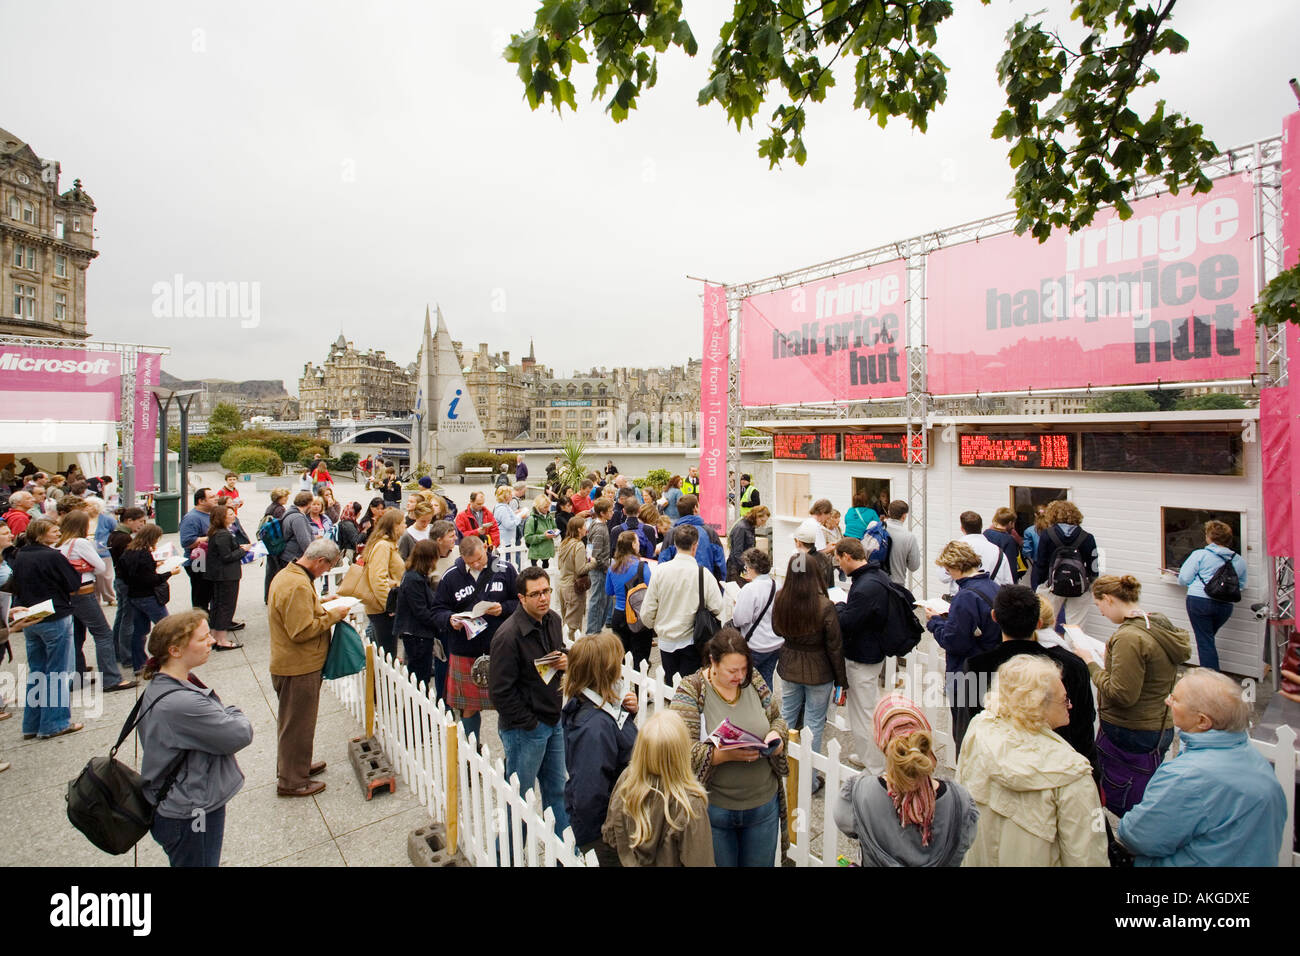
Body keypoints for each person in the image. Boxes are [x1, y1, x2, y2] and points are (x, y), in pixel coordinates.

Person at [1116, 669, 1287, 866]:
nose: (1167, 701)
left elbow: (1137, 837)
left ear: (1202, 721)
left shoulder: (1186, 776)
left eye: (1176, 699)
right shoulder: (1253, 757)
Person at [956, 655, 1107, 866]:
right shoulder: (1072, 773)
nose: (1070, 705)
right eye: (1064, 699)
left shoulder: (979, 730)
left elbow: (962, 808)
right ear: (1038, 705)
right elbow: (1089, 856)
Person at [137, 610, 254, 867]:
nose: (211, 641)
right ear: (175, 651)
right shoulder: (181, 703)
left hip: (178, 802)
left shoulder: (163, 685)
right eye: (202, 639)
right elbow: (239, 733)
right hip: (191, 811)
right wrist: (233, 711)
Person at [1069, 574, 1191, 816]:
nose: (1101, 613)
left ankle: (1131, 840)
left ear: (1110, 599)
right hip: (1157, 724)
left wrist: (1091, 663)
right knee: (1147, 789)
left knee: (1123, 794)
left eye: (1099, 605)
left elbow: (1122, 694)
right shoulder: (1155, 623)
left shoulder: (1128, 637)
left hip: (1131, 729)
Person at [670, 628, 789, 867]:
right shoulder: (691, 690)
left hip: (762, 804)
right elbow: (681, 750)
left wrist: (777, 736)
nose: (739, 676)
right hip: (715, 809)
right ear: (713, 662)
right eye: (732, 670)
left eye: (743, 669)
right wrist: (720, 755)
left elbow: (777, 718)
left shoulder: (752, 680)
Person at [958, 584, 1097, 767]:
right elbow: (1084, 727)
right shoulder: (1072, 666)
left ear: (994, 617)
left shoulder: (976, 666)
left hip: (999, 766)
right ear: (1039, 623)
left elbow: (967, 728)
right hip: (1058, 767)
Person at [833, 694, 979, 867]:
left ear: (881, 741)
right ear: (924, 739)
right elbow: (965, 840)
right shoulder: (960, 803)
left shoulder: (859, 793)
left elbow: (845, 822)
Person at [267, 539, 349, 797]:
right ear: (319, 561)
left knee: (296, 722)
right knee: (297, 724)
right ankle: (291, 780)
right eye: (328, 567)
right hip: (298, 667)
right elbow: (301, 630)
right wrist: (335, 614)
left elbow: (299, 613)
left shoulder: (290, 575)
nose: (326, 572)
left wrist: (322, 602)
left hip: (294, 664)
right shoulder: (297, 585)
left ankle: (296, 766)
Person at [558, 631, 640, 865]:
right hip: (606, 836)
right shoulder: (593, 727)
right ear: (604, 672)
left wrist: (626, 714)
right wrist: (610, 834)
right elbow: (589, 793)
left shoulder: (596, 707)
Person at [602, 710, 714, 866]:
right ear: (681, 752)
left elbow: (611, 835)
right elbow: (700, 860)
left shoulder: (627, 781)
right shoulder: (689, 804)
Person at [773, 553, 845, 792]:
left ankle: (777, 769)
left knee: (786, 718)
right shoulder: (824, 605)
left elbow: (776, 628)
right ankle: (809, 779)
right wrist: (841, 679)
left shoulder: (781, 598)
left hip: (790, 664)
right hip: (819, 670)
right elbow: (834, 645)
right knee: (814, 725)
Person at [433, 535, 518, 739]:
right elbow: (437, 610)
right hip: (466, 649)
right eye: (471, 562)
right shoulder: (452, 576)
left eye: (480, 559)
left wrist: (504, 608)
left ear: (486, 548)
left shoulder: (504, 569)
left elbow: (520, 601)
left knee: (507, 704)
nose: (477, 564)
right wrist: (450, 619)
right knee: (468, 707)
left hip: (500, 649)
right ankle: (472, 750)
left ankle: (510, 749)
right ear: (462, 557)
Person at [923, 541, 1002, 749]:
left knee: (966, 734)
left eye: (948, 570)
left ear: (957, 567)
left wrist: (935, 622)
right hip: (991, 666)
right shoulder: (994, 587)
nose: (948, 574)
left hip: (967, 672)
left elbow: (954, 641)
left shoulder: (966, 596)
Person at [14, 519, 84, 738]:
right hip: (55, 615)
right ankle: (55, 723)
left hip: (31, 618)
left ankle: (31, 724)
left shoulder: (21, 555)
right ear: (42, 534)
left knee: (37, 671)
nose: (58, 533)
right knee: (58, 672)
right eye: (54, 531)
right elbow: (73, 583)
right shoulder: (53, 556)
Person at [58, 510, 135, 691]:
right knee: (103, 634)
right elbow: (100, 567)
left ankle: (77, 675)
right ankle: (111, 678)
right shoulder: (80, 542)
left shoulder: (60, 543)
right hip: (84, 592)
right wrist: (88, 569)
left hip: (68, 593)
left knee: (77, 636)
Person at [834, 538, 893, 774]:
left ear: (848, 557)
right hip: (870, 652)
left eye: (839, 560)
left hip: (862, 655)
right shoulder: (875, 578)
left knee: (864, 712)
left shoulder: (866, 585)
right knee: (863, 709)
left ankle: (876, 765)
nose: (839, 565)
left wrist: (838, 606)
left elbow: (848, 622)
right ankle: (869, 755)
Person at [641, 524, 723, 686]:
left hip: (666, 639)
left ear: (674, 544)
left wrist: (655, 625)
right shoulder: (703, 574)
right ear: (695, 545)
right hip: (692, 639)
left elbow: (647, 610)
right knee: (691, 687)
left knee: (670, 683)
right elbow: (718, 607)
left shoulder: (660, 571)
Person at [1177, 519, 1247, 672]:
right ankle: (1210, 676)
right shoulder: (1239, 560)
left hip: (1199, 601)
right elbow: (1240, 585)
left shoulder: (1200, 555)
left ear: (1209, 537)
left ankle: (1211, 679)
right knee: (1207, 639)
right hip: (1225, 606)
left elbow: (1184, 579)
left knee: (1205, 641)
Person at [120, 524, 180, 674]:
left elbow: (133, 573)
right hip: (147, 596)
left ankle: (139, 664)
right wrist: (169, 573)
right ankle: (167, 660)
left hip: (134, 596)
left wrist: (154, 564)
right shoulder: (144, 554)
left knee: (139, 631)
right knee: (166, 628)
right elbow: (150, 579)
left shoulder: (128, 551)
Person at [1033, 499, 1099, 626]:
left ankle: (1046, 646)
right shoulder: (1087, 537)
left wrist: (1041, 584)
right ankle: (1073, 645)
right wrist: (1091, 585)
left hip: (1051, 585)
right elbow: (1094, 566)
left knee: (1044, 624)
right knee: (1076, 627)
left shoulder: (1047, 535)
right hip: (1079, 587)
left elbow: (1041, 563)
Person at [393, 539, 445, 696]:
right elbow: (421, 611)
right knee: (420, 673)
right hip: (417, 634)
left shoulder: (414, 575)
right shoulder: (414, 579)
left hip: (417, 633)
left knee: (419, 672)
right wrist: (441, 622)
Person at [730, 548, 781, 688]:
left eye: (746, 567)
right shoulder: (777, 585)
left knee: (746, 683)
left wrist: (736, 605)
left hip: (756, 645)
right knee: (765, 680)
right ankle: (766, 707)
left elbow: (739, 620)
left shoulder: (750, 589)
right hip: (775, 643)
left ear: (752, 568)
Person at [358, 508, 406, 658]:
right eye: (403, 523)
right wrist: (389, 605)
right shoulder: (383, 546)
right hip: (383, 610)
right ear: (395, 526)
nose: (405, 526)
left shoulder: (387, 544)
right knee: (387, 652)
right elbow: (378, 579)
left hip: (385, 607)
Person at [203, 504, 251, 651]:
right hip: (226, 575)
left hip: (220, 575)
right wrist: (243, 550)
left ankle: (215, 636)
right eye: (229, 514)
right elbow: (227, 556)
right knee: (226, 606)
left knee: (218, 606)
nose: (233, 515)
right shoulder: (223, 534)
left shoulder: (217, 532)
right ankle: (222, 639)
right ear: (222, 517)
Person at [106, 506, 147, 668]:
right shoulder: (124, 539)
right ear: (129, 520)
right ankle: (127, 655)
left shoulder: (115, 535)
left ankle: (117, 651)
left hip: (120, 580)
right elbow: (130, 562)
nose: (142, 525)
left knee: (122, 616)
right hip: (126, 582)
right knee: (128, 619)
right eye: (140, 521)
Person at [606, 531, 652, 668]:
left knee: (621, 658)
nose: (639, 544)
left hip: (619, 614)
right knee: (641, 660)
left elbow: (609, 591)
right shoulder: (642, 567)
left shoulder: (612, 567)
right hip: (638, 616)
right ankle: (639, 689)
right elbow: (650, 592)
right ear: (633, 545)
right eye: (637, 541)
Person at [940, 511, 1014, 592]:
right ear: (981, 526)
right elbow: (1008, 583)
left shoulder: (954, 550)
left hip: (961, 598)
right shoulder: (998, 552)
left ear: (962, 528)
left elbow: (943, 578)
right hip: (990, 599)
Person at [657, 494, 725, 581]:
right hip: (704, 585)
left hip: (678, 586)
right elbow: (720, 565)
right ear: (695, 508)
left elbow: (662, 564)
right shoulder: (710, 533)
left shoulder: (672, 534)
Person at [179, 488, 218, 614]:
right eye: (212, 497)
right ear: (201, 501)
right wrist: (212, 537)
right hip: (198, 562)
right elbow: (186, 542)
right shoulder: (191, 518)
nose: (216, 498)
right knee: (201, 597)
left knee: (212, 593)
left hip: (210, 561)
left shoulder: (210, 515)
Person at [557, 515, 593, 638]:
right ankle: (571, 652)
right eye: (584, 526)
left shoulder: (564, 543)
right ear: (578, 529)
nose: (586, 528)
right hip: (573, 588)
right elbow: (580, 570)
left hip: (562, 586)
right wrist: (592, 563)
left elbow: (559, 565)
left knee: (566, 623)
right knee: (573, 627)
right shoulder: (579, 545)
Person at [585, 498, 614, 634]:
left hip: (602, 569)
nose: (612, 513)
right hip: (599, 571)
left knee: (603, 601)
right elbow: (595, 556)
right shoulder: (599, 529)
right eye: (610, 511)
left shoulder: (599, 525)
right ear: (602, 513)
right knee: (597, 601)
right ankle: (592, 633)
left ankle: (597, 631)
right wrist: (606, 568)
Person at [261, 487, 291, 602]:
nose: (287, 499)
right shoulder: (279, 509)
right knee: (276, 570)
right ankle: (273, 597)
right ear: (279, 498)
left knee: (270, 570)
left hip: (269, 543)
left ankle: (267, 596)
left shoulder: (271, 507)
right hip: (276, 543)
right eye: (285, 497)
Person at [882, 500, 921, 586]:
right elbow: (914, 566)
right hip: (895, 584)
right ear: (904, 516)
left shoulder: (876, 528)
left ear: (888, 512)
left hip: (874, 580)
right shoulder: (909, 537)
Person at [726, 505, 768, 581]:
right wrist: (746, 570)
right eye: (762, 521)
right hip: (736, 570)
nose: (763, 524)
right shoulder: (742, 528)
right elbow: (737, 552)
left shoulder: (749, 526)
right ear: (756, 516)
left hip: (742, 568)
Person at [984, 507, 1023, 576]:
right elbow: (1011, 566)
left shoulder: (986, 533)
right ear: (1010, 523)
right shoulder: (1009, 540)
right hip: (1001, 577)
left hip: (986, 574)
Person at [523, 494, 558, 569]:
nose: (548, 509)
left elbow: (554, 527)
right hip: (536, 555)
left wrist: (555, 532)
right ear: (538, 506)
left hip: (547, 554)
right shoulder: (531, 520)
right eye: (545, 507)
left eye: (548, 507)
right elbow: (528, 538)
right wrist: (544, 536)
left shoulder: (549, 517)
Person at [1021, 504, 1049, 586]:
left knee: (1036, 591)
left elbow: (1027, 551)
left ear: (1035, 515)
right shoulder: (1052, 530)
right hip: (1051, 565)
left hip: (1037, 565)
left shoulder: (1029, 531)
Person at [492, 486, 521, 557]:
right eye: (510, 494)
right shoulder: (502, 509)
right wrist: (520, 517)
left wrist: (515, 514)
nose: (512, 495)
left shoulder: (504, 506)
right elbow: (509, 525)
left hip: (507, 541)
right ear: (506, 496)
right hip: (506, 542)